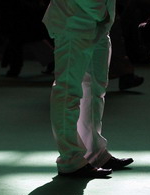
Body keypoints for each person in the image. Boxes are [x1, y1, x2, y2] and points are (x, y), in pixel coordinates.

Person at [43, 0, 133, 178]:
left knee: (95, 90)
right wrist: (103, 14)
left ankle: (95, 153)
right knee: (68, 90)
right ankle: (70, 159)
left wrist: (104, 16)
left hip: (97, 22)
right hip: (73, 20)